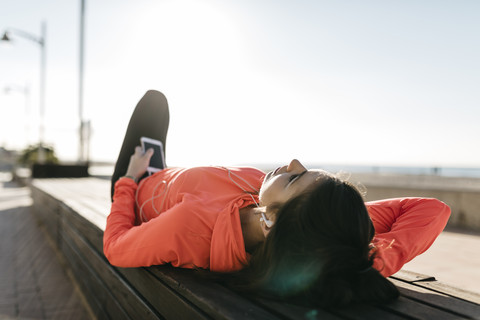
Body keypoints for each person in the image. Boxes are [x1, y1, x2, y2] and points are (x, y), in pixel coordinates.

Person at [104, 90, 451, 307]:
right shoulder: (316, 229)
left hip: (142, 183)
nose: (294, 161)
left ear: (274, 222)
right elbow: (430, 208)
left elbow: (116, 247)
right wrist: (357, 264)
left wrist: (128, 182)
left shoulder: (190, 226)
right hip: (174, 180)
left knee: (154, 101)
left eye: (295, 177)